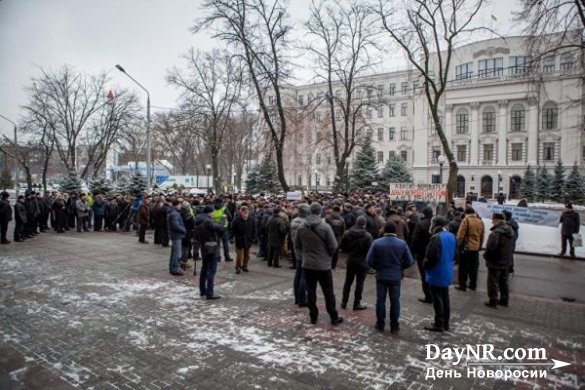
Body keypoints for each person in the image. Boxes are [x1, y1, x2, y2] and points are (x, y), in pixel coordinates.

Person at [294, 202, 343, 326]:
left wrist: (304, 257)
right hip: (323, 266)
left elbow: (297, 246)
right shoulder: (325, 227)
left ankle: (313, 316)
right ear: (320, 211)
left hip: (307, 264)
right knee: (328, 292)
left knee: (310, 291)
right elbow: (333, 246)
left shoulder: (301, 227)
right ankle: (333, 316)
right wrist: (328, 257)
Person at [367, 221, 413, 333]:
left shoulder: (377, 243)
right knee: (395, 301)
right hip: (396, 276)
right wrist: (400, 267)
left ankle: (380, 324)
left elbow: (369, 260)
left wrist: (377, 267)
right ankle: (394, 326)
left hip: (381, 274)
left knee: (380, 300)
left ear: (384, 230)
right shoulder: (402, 244)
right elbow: (409, 261)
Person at [423, 217, 456, 332]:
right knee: (445, 297)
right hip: (447, 269)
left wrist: (425, 265)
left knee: (437, 298)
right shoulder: (451, 236)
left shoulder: (436, 238)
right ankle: (445, 322)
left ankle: (439, 323)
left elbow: (431, 256)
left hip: (437, 271)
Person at [339, 216, 372, 311]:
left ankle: (344, 302)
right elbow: (370, 251)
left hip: (351, 260)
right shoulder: (368, 236)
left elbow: (342, 246)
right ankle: (356, 303)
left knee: (348, 282)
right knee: (360, 283)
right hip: (362, 261)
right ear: (364, 224)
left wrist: (349, 251)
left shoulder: (347, 233)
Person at [483, 213, 516, 308]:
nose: (492, 222)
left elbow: (490, 248)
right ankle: (504, 300)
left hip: (495, 262)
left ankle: (493, 301)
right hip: (506, 261)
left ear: (497, 221)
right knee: (504, 281)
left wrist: (486, 256)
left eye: (493, 220)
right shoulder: (511, 231)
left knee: (493, 282)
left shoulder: (496, 233)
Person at [195, 204, 224, 299]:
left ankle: (202, 290)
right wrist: (223, 221)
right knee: (211, 270)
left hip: (204, 247)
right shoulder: (207, 221)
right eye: (213, 211)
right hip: (211, 247)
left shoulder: (198, 220)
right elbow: (219, 228)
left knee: (204, 269)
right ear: (209, 212)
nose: (214, 213)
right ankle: (209, 293)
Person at [455, 207, 485, 292]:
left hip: (466, 246)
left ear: (466, 213)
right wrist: (479, 246)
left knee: (463, 267)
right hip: (475, 247)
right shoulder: (480, 221)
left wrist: (458, 245)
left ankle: (462, 285)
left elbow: (460, 235)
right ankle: (473, 284)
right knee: (473, 267)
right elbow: (482, 235)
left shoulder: (466, 220)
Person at [411, 207, 434, 304]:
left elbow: (415, 240)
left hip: (422, 253)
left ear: (423, 214)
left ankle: (428, 296)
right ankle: (434, 293)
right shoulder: (434, 223)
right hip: (433, 251)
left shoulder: (420, 224)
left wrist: (413, 252)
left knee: (424, 275)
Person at [290, 204, 310, 307]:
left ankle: (297, 297)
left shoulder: (294, 221)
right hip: (304, 251)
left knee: (298, 274)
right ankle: (302, 299)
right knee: (304, 276)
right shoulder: (305, 224)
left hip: (296, 250)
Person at [231, 205, 256, 274]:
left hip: (248, 239)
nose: (246, 214)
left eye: (247, 212)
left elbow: (254, 229)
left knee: (247, 254)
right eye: (244, 212)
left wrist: (253, 237)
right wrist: (231, 237)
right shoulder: (236, 220)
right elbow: (232, 230)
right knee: (239, 255)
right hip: (239, 239)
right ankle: (238, 267)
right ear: (241, 212)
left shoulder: (251, 219)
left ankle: (245, 266)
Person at [167, 200, 186, 276]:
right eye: (180, 205)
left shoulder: (172, 212)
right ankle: (175, 268)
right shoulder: (175, 214)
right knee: (177, 253)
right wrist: (184, 230)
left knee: (174, 252)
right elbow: (176, 225)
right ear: (177, 205)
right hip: (177, 235)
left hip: (174, 235)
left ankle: (172, 267)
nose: (180, 207)